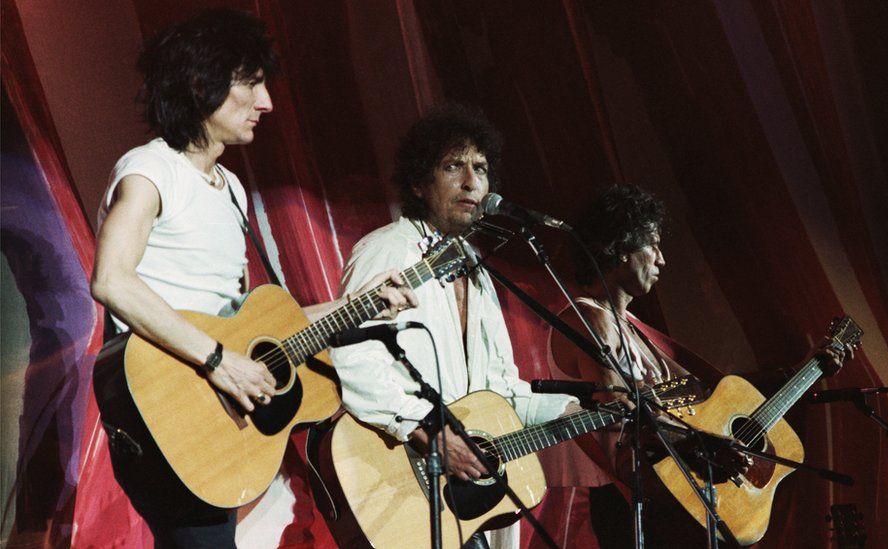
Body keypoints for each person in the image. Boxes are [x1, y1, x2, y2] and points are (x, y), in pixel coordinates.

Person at [90, 9, 415, 547]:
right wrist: (218, 362)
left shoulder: (231, 190)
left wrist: (358, 305)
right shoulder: (149, 171)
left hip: (216, 411)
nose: (266, 103)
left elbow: (255, 330)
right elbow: (111, 282)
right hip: (163, 402)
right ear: (201, 84)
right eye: (252, 83)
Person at [543, 184, 853, 548]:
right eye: (652, 246)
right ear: (621, 247)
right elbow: (619, 408)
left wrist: (804, 370)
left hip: (674, 490)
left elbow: (719, 396)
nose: (662, 260)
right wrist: (702, 445)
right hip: (636, 501)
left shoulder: (635, 328)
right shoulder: (589, 318)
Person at [328, 104, 579, 548]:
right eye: (452, 166)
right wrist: (426, 431)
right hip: (403, 480)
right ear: (418, 183)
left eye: (480, 168)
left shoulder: (477, 271)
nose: (471, 182)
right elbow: (353, 359)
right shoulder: (388, 250)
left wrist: (572, 411)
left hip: (466, 495)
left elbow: (496, 391)